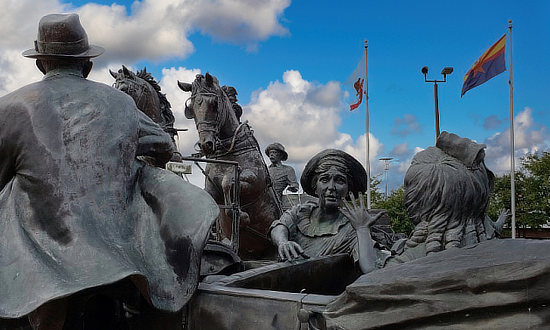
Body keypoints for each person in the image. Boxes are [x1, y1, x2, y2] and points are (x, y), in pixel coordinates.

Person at [0, 14, 218, 329]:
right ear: (87, 64)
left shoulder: (11, 107)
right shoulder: (121, 104)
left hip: (47, 253)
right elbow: (162, 146)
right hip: (121, 247)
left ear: (40, 63)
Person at [269, 149, 388, 274]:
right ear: (315, 187)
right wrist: (283, 242)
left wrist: (362, 229)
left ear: (348, 189)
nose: (331, 187)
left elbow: (371, 269)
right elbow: (279, 226)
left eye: (340, 181)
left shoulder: (352, 228)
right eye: (325, 180)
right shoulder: (301, 212)